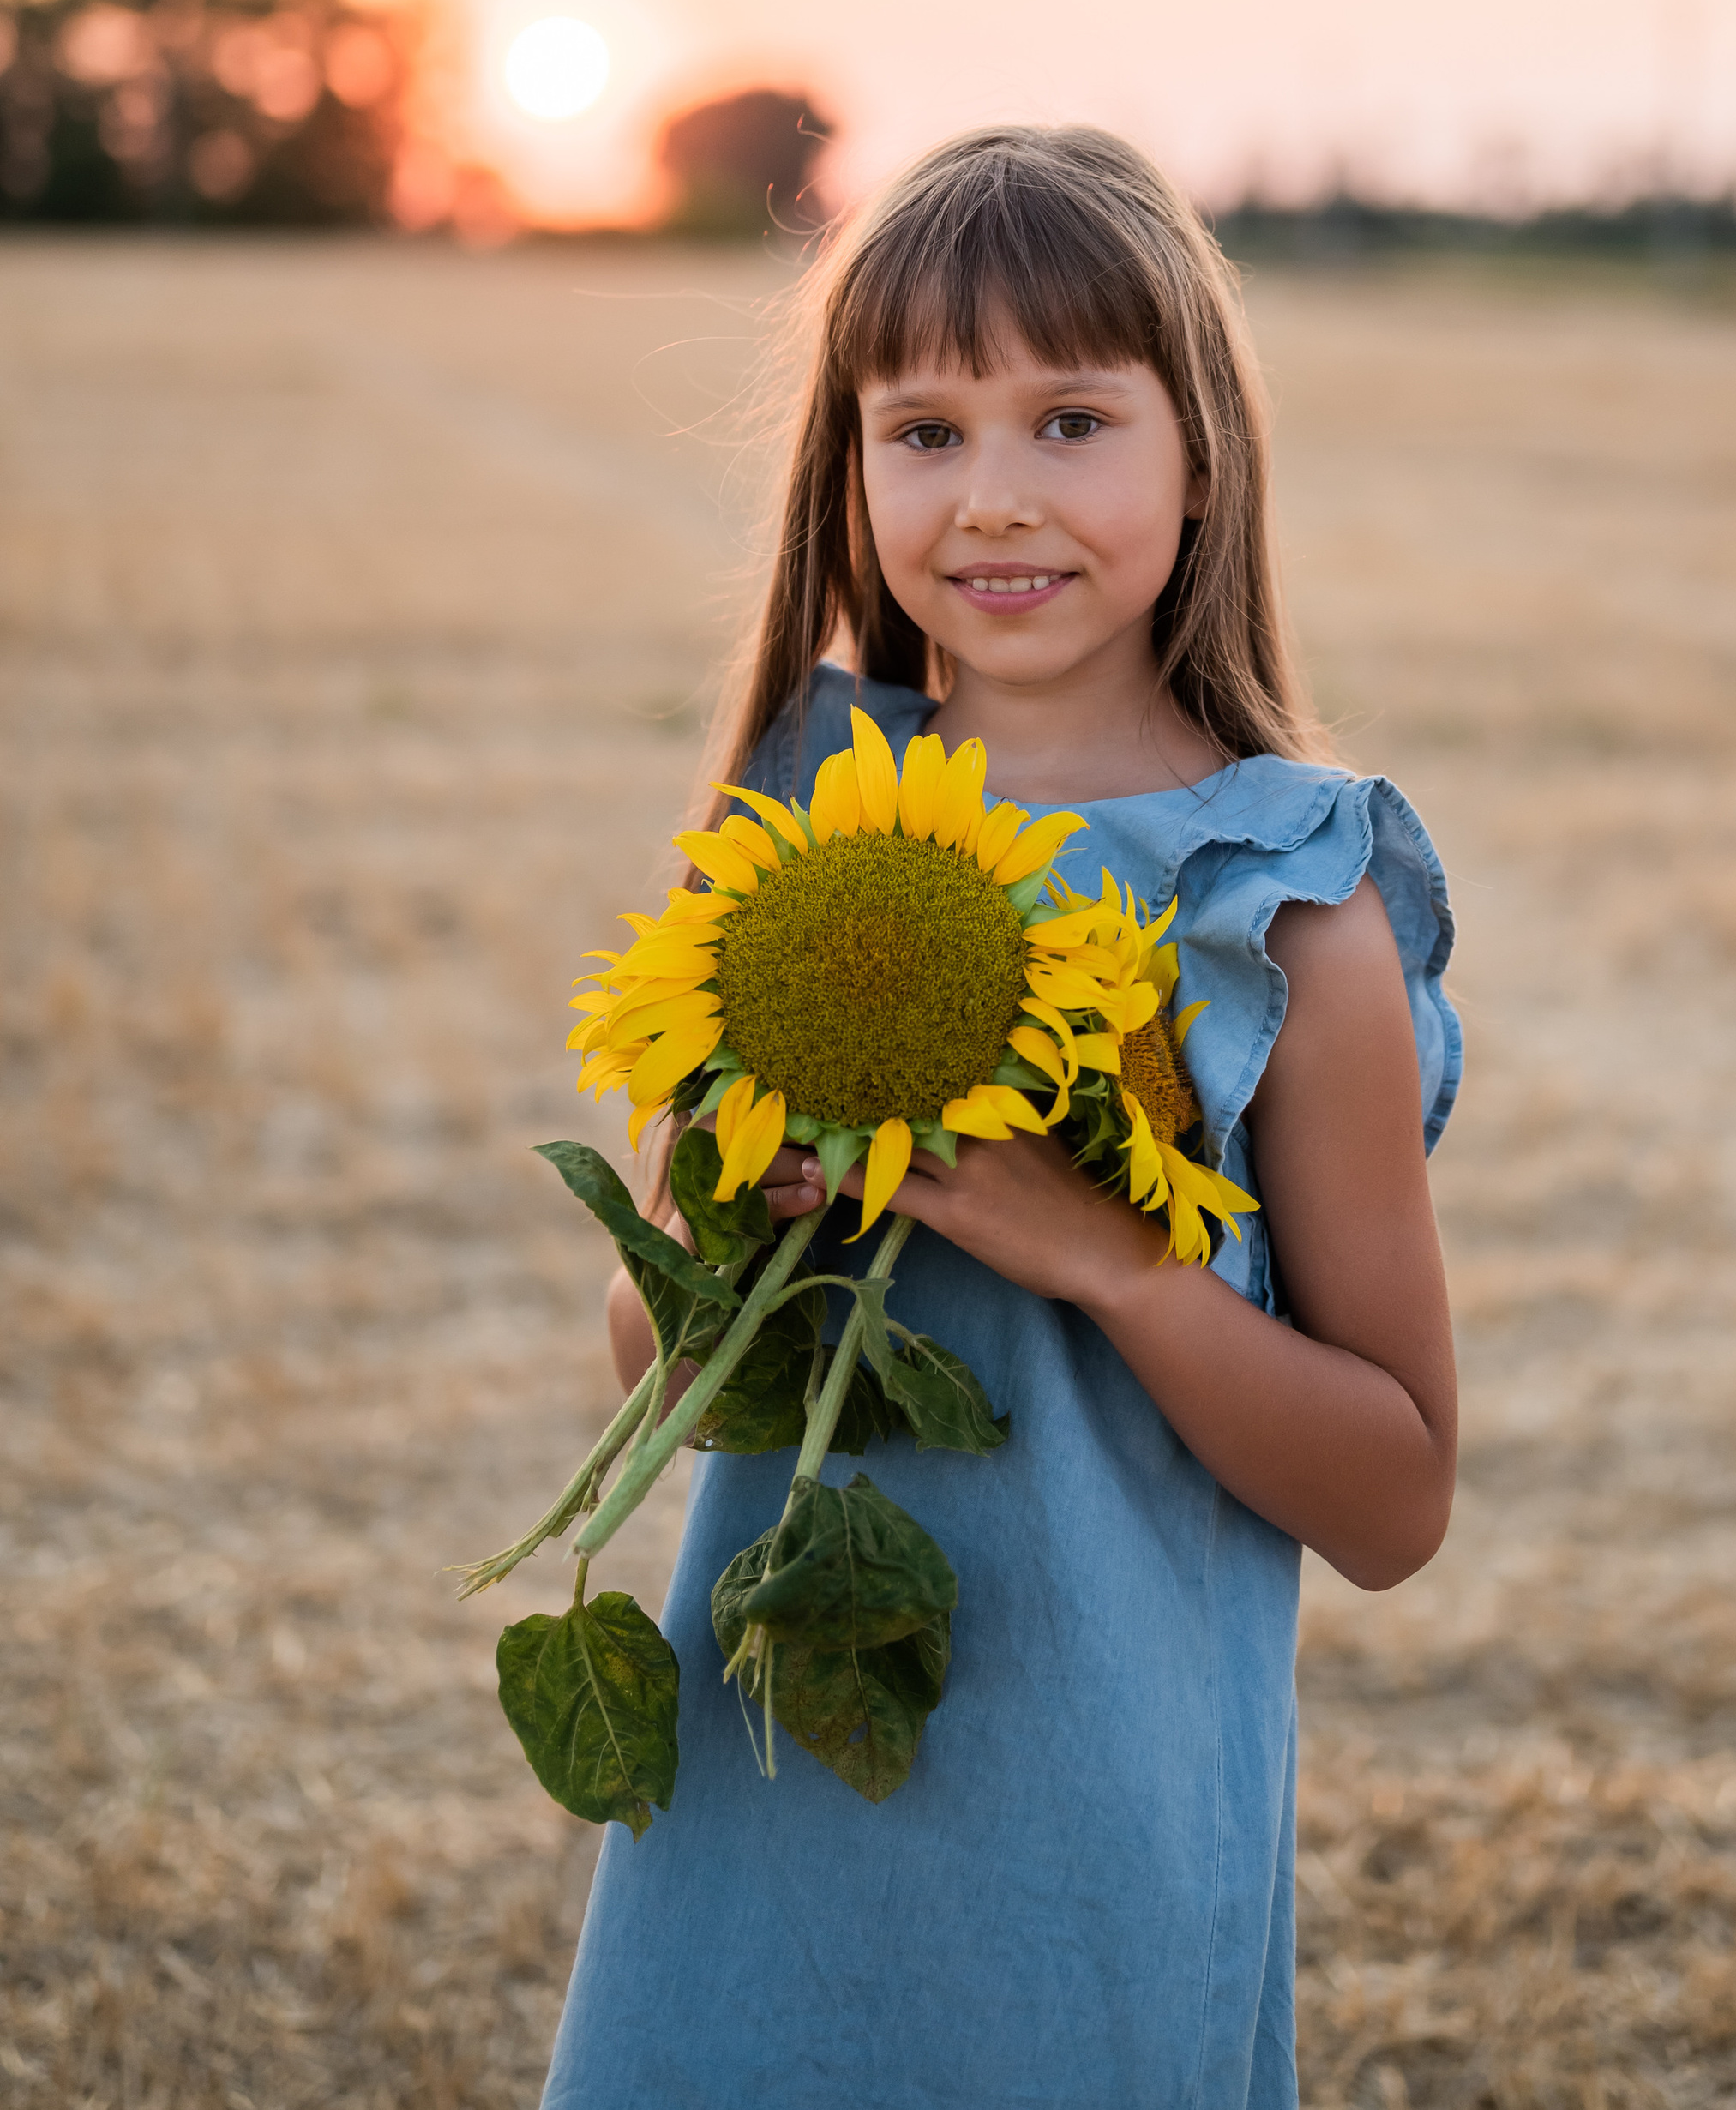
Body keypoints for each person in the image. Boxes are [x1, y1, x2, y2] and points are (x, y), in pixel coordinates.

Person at [541, 125, 1462, 2110]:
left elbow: (1393, 1500)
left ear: (1197, 450)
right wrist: (718, 1224)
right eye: (924, 431)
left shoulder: (1282, 901)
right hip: (760, 1794)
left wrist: (1106, 1261)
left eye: (1068, 420)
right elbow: (649, 1372)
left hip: (1094, 1847)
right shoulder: (793, 838)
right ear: (848, 469)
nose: (993, 500)